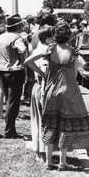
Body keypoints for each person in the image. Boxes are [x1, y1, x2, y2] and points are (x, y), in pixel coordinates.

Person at [25, 21, 89, 171]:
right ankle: (62, 162)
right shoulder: (73, 51)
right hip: (68, 91)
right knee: (65, 126)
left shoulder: (50, 49)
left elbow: (28, 61)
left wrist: (43, 74)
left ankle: (49, 161)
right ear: (69, 36)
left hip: (51, 90)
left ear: (55, 36)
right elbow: (75, 71)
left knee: (51, 124)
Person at [0, 14, 28, 139]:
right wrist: (22, 60)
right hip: (15, 71)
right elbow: (23, 52)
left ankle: (10, 128)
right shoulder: (17, 38)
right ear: (18, 26)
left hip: (2, 70)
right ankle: (9, 131)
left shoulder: (0, 37)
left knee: (9, 101)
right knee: (13, 102)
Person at [28, 25, 55, 163]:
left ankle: (39, 152)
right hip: (42, 88)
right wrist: (43, 74)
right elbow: (29, 63)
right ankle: (43, 153)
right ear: (48, 38)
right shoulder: (45, 50)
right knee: (44, 123)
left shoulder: (38, 48)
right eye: (52, 37)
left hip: (36, 87)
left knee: (37, 121)